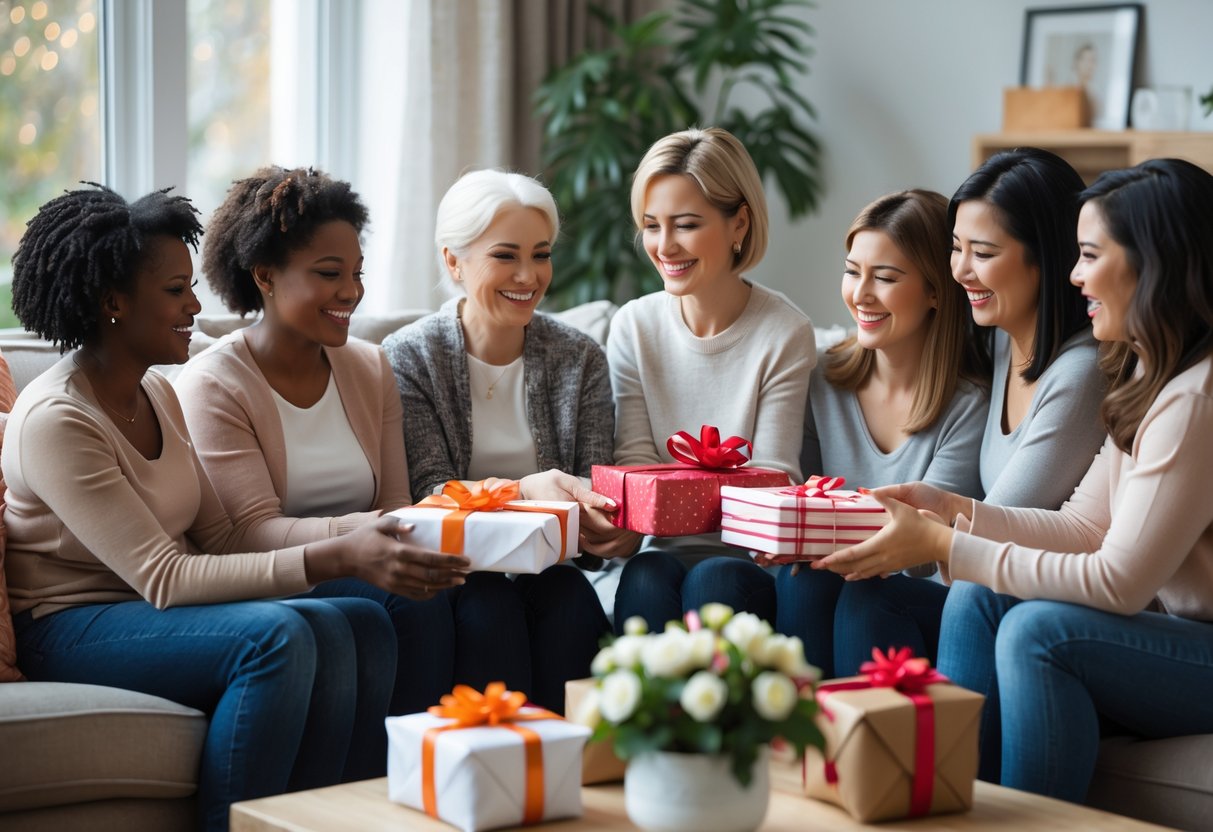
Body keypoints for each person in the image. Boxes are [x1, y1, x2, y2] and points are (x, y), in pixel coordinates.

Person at [3, 184, 467, 831]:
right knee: (277, 638)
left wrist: (361, 544)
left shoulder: (157, 393)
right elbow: (164, 576)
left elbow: (220, 537)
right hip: (71, 627)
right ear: (113, 302)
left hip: (142, 610)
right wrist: (333, 554)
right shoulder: (58, 419)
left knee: (358, 622)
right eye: (174, 291)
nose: (196, 305)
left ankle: (331, 822)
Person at [813, 158, 1213, 803]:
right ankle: (938, 799)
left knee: (1037, 630)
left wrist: (949, 546)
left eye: (1088, 255)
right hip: (1172, 635)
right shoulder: (1149, 374)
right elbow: (1086, 526)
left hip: (1197, 645)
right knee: (976, 598)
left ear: (1152, 262)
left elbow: (1119, 579)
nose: (1075, 274)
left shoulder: (1195, 399)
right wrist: (948, 510)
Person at [176, 165, 512, 717]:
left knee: (486, 598)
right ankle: (399, 773)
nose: (351, 293)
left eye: (357, 273)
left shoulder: (367, 366)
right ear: (264, 275)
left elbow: (398, 506)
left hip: (370, 563)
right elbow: (246, 535)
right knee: (413, 603)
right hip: (281, 581)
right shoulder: (214, 384)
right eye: (330, 273)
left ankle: (497, 762)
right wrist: (361, 535)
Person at [683, 189, 988, 676]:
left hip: (907, 596)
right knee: (717, 577)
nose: (860, 294)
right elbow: (797, 500)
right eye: (853, 271)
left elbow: (917, 551)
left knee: (818, 580)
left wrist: (811, 536)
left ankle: (824, 740)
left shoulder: (968, 406)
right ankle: (746, 745)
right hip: (821, 575)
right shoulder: (821, 376)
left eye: (885, 278)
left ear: (935, 291)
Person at [381, 168, 614, 711]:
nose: (529, 276)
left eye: (542, 254)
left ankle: (570, 768)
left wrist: (611, 525)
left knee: (570, 598)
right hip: (461, 572)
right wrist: (527, 490)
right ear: (453, 261)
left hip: (554, 570)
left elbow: (595, 482)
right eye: (506, 256)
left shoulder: (580, 358)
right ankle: (495, 768)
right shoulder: (410, 356)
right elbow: (428, 492)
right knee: (488, 606)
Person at [603, 127, 816, 633]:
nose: (664, 245)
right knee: (648, 576)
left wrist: (673, 497)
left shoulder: (784, 331)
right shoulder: (634, 326)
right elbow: (635, 470)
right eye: (651, 225)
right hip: (656, 554)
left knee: (715, 578)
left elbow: (773, 478)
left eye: (687, 225)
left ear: (738, 222)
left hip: (747, 557)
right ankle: (644, 714)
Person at [951, 148, 1107, 511]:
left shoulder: (1079, 374)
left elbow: (995, 531)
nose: (960, 270)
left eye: (984, 254)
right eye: (956, 248)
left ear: (1048, 259)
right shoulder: (1001, 337)